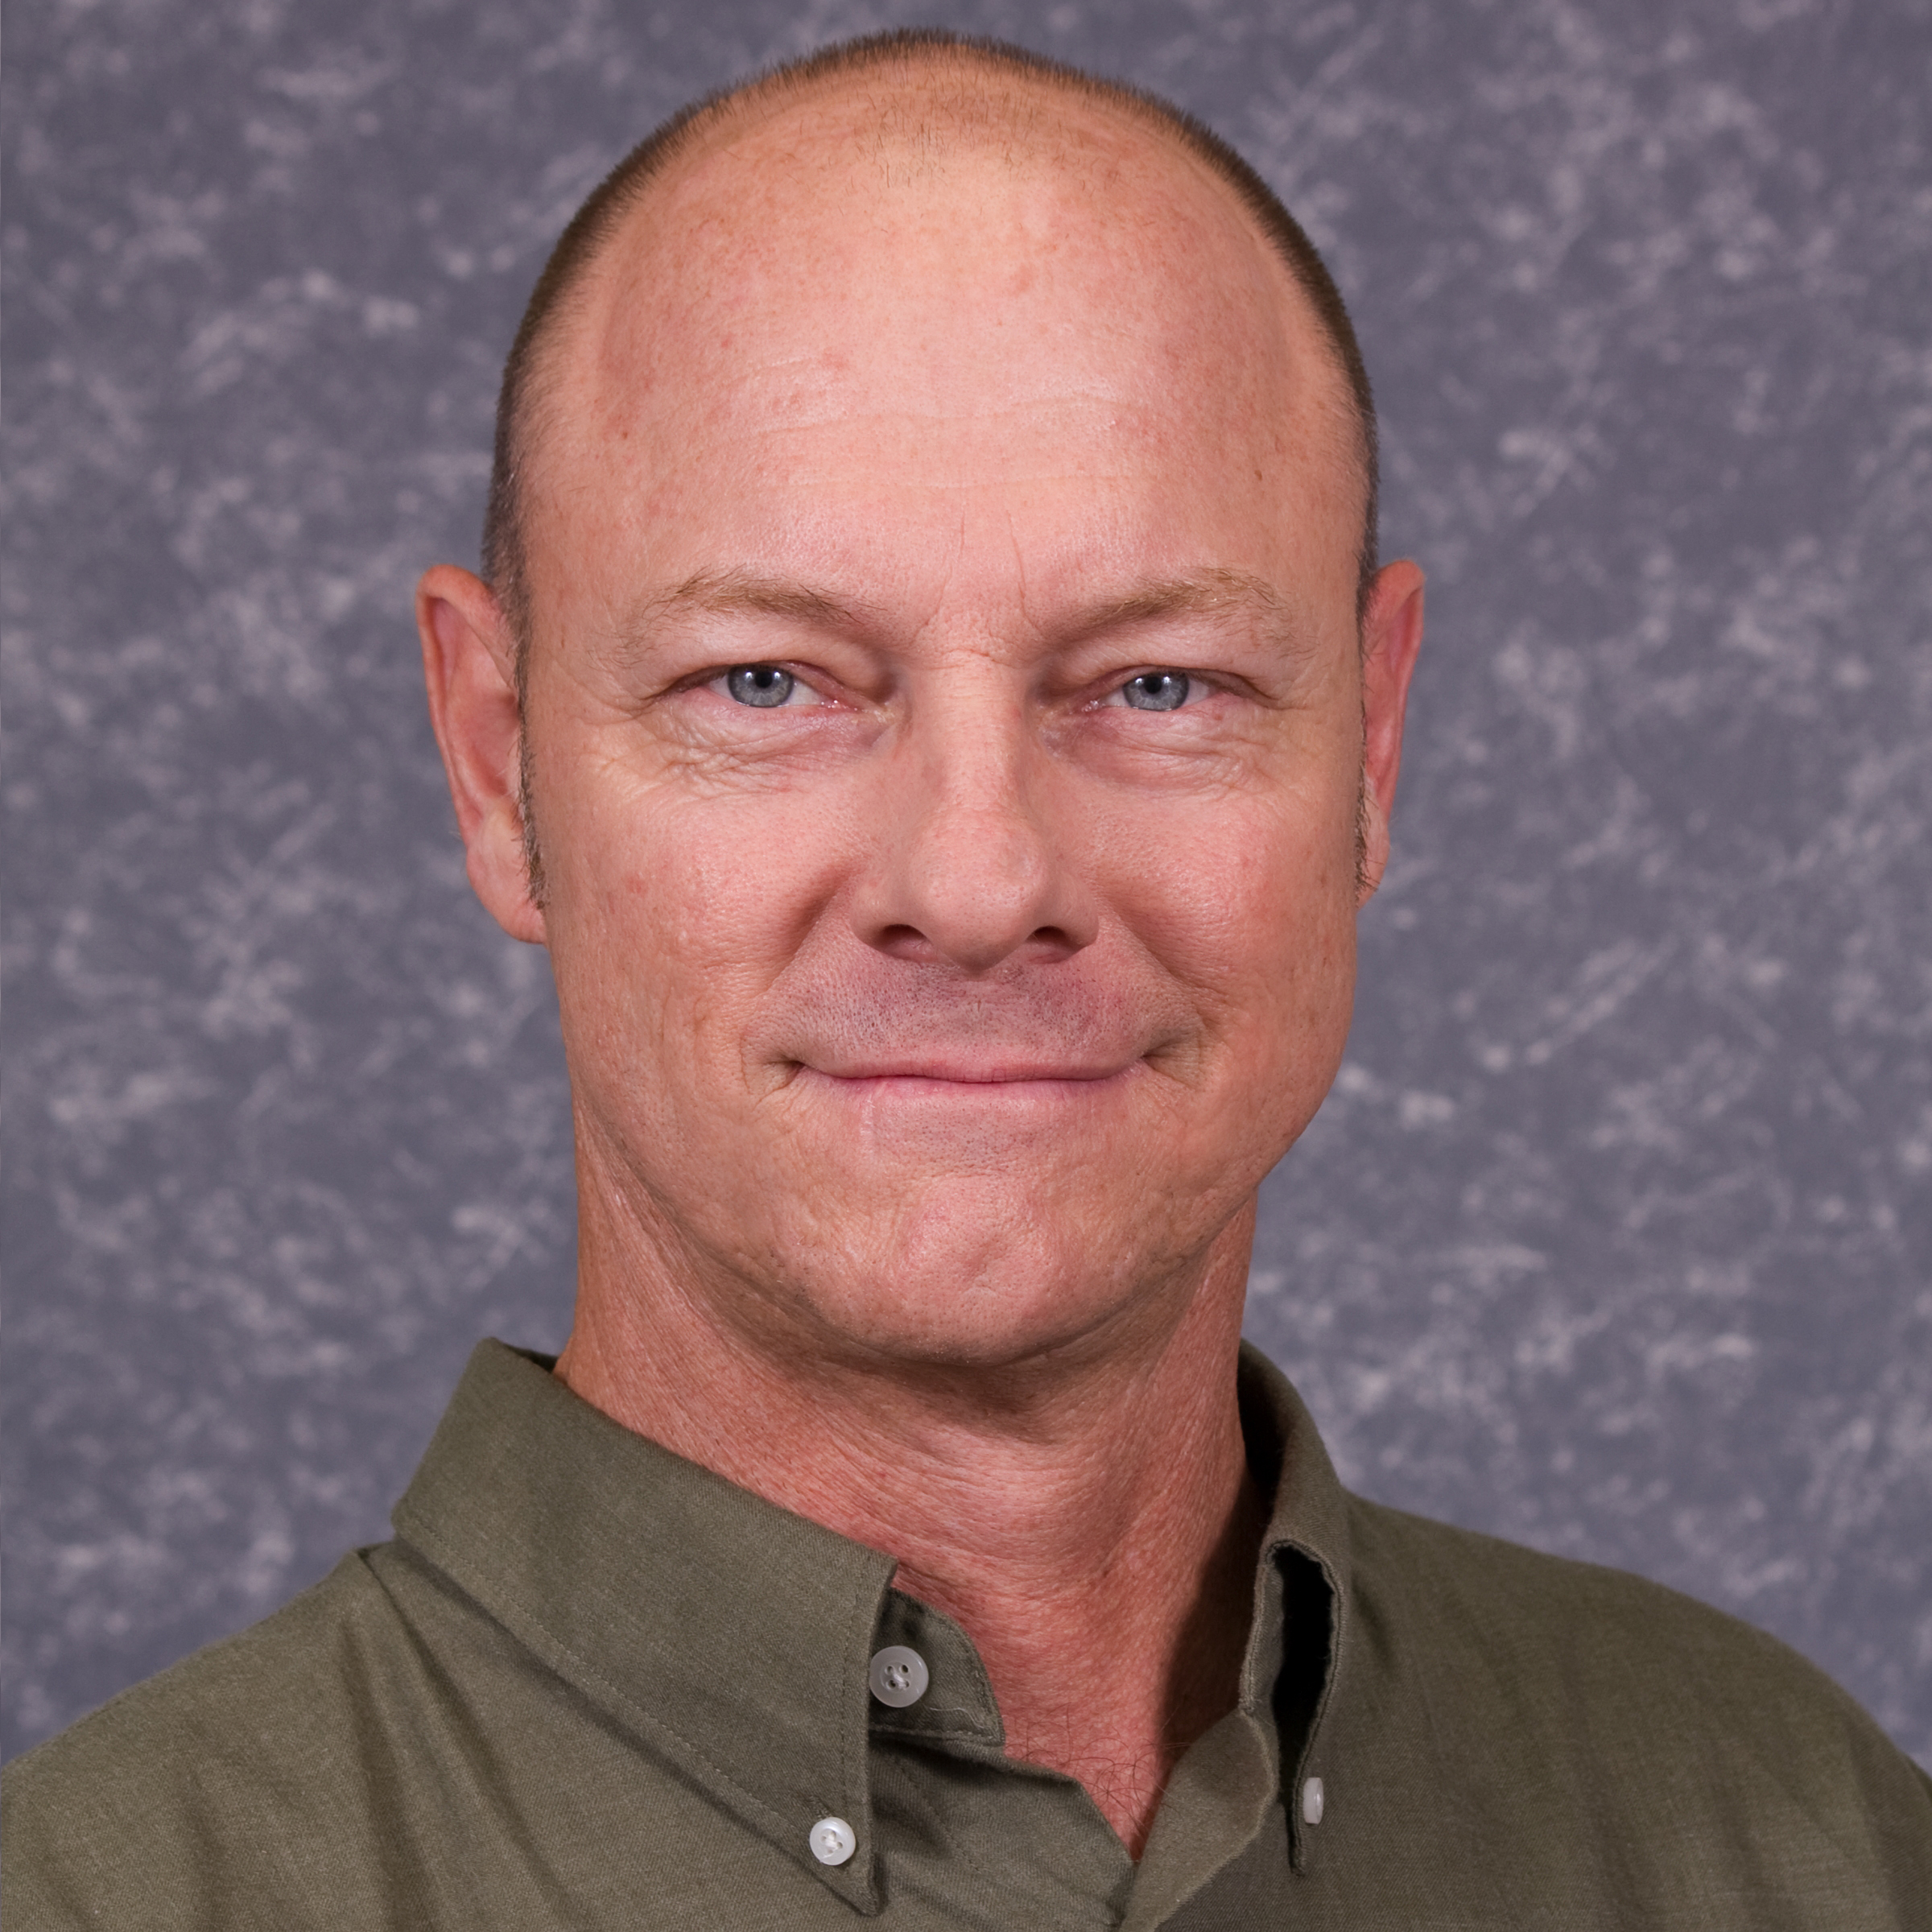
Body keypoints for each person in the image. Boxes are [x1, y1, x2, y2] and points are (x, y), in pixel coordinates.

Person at [5, 29, 1927, 1929]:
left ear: (1371, 747)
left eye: (1156, 684)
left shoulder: (1803, 1849)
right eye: (768, 682)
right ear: (499, 764)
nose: (982, 880)